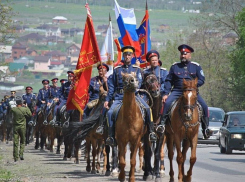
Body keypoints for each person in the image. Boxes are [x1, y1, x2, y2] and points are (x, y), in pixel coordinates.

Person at [104, 45, 157, 146]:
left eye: (129, 55)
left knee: (147, 109)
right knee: (110, 112)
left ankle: (151, 132)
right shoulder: (117, 70)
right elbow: (111, 86)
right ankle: (110, 136)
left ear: (132, 56)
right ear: (123, 56)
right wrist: (107, 99)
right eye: (125, 55)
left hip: (134, 96)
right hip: (120, 97)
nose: (127, 56)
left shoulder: (137, 70)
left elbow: (140, 83)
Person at [160, 44, 211, 139]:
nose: (183, 56)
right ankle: (162, 125)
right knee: (166, 103)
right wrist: (166, 93)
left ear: (189, 55)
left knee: (204, 106)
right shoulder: (175, 66)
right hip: (177, 91)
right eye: (182, 54)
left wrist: (192, 86)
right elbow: (168, 80)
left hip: (192, 92)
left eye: (185, 54)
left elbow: (202, 79)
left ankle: (206, 128)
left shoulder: (196, 66)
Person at [11, 96, 32, 162]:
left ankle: (15, 157)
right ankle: (21, 154)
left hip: (15, 127)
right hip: (22, 127)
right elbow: (30, 114)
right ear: (21, 102)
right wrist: (26, 107)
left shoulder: (14, 109)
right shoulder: (24, 109)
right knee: (22, 141)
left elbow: (11, 109)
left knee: (15, 142)